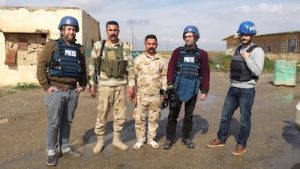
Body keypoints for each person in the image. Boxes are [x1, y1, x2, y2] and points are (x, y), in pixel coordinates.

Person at [207, 21, 265, 156]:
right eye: (242, 34)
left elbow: (257, 71)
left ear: (252, 35)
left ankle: (241, 144)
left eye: (247, 34)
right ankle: (221, 139)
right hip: (233, 88)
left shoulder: (258, 51)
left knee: (245, 119)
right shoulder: (237, 49)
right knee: (225, 116)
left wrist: (247, 59)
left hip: (247, 90)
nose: (244, 37)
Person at [36, 16, 87, 166]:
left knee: (67, 122)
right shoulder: (52, 45)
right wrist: (46, 86)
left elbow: (83, 69)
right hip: (56, 91)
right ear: (62, 29)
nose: (71, 32)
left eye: (73, 29)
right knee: (54, 123)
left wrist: (83, 84)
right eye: (69, 29)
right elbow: (41, 66)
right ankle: (51, 151)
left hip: (72, 92)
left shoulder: (79, 48)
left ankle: (65, 147)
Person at [88, 21, 135, 153]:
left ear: (118, 31)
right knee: (102, 114)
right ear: (106, 31)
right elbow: (92, 65)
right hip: (104, 86)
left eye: (115, 30)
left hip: (121, 86)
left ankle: (116, 139)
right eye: (110, 30)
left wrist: (131, 86)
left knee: (120, 115)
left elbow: (130, 68)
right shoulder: (98, 46)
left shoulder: (125, 46)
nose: (113, 32)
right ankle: (100, 141)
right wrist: (92, 84)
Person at [163, 25, 210, 150]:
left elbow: (205, 73)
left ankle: (186, 138)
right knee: (172, 115)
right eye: (185, 36)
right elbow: (171, 68)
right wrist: (170, 84)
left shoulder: (203, 54)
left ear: (196, 37)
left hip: (193, 88)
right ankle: (169, 139)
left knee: (188, 116)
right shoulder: (178, 52)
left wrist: (204, 90)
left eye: (190, 36)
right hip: (177, 87)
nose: (187, 39)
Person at [131, 34, 167, 149]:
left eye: (153, 44)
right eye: (149, 43)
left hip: (156, 95)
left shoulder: (161, 60)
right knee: (139, 119)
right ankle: (140, 140)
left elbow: (164, 77)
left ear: (156, 45)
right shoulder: (138, 60)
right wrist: (133, 92)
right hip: (141, 95)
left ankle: (151, 139)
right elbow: (132, 77)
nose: (151, 46)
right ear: (145, 44)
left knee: (154, 118)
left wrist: (163, 93)